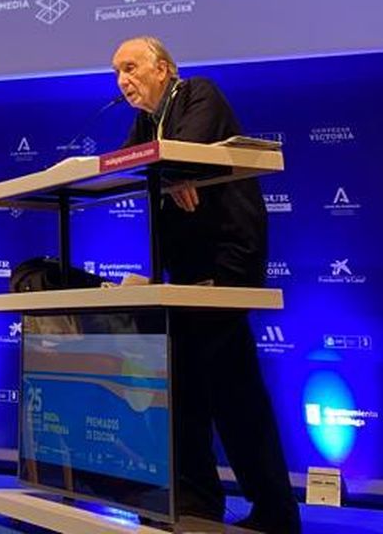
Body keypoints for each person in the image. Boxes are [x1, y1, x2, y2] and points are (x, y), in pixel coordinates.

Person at [112, 35, 300, 534]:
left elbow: (183, 152)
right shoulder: (147, 119)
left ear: (164, 69)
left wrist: (171, 171)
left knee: (233, 392)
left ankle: (275, 513)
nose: (122, 80)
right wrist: (169, 175)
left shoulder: (200, 94)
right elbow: (133, 163)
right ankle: (195, 504)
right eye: (116, 73)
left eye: (130, 68)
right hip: (186, 271)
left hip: (226, 260)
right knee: (187, 389)